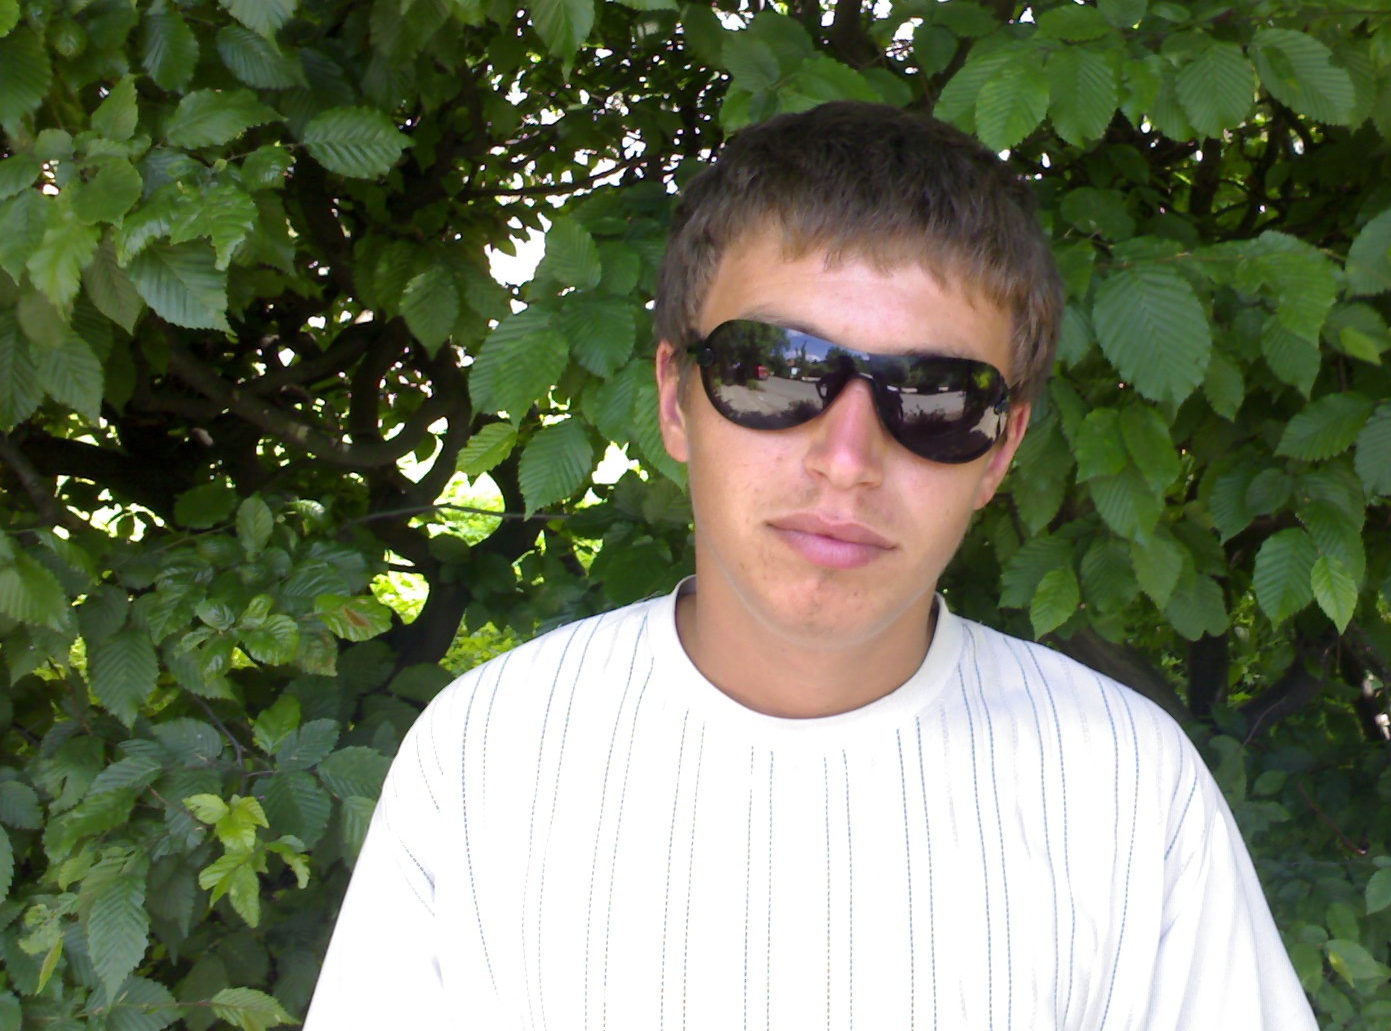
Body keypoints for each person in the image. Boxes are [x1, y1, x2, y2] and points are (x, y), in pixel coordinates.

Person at [304, 102, 1319, 1029]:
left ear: (999, 451)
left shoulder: (1125, 788)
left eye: (935, 399)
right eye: (774, 370)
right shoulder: (486, 755)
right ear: (675, 398)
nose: (846, 460)